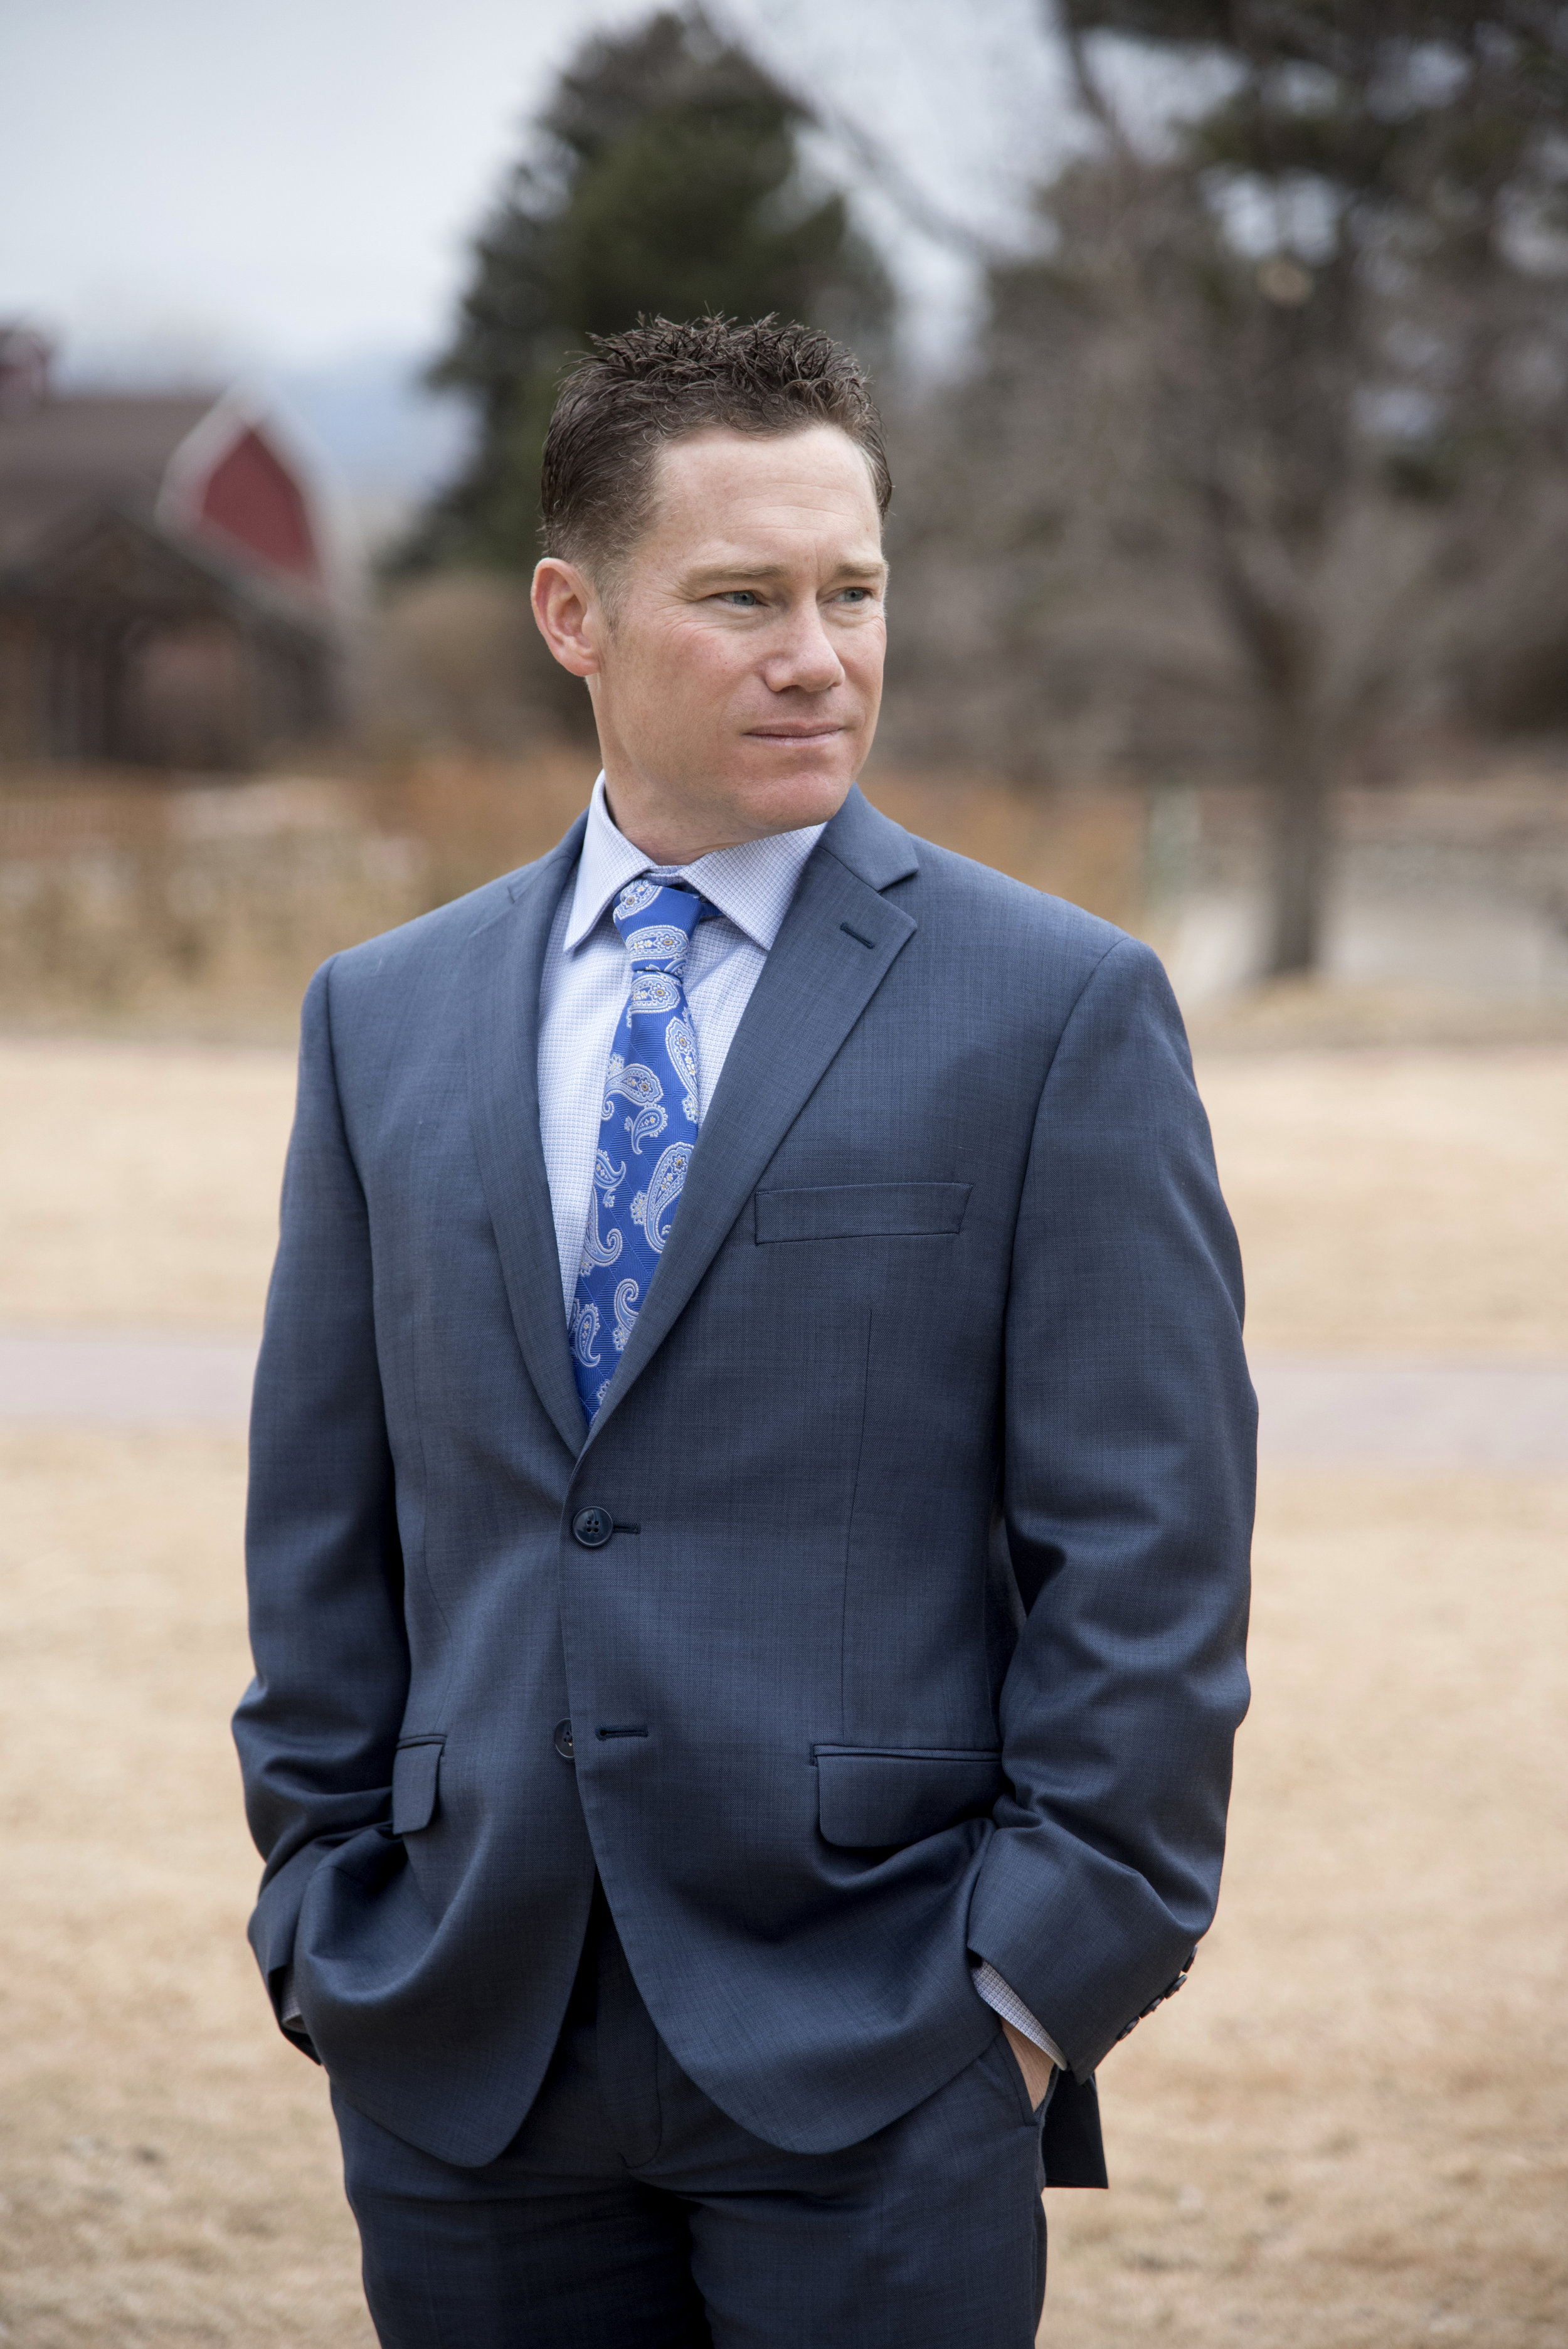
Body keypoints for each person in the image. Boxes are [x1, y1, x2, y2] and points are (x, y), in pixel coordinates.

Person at [235, 314, 1254, 2349]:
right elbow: (321, 1517)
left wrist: (1027, 1994)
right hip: (461, 2042)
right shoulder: (385, 1013)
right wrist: (322, 1905)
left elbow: (1147, 1559)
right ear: (571, 614)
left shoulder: (1056, 1009)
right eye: (744, 598)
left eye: (853, 592)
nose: (820, 653)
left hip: (885, 2040)